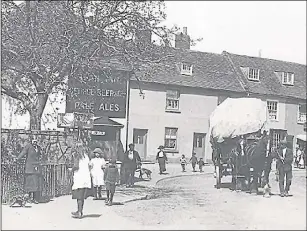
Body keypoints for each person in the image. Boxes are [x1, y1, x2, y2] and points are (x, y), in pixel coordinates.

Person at [69, 142, 92, 219]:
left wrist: (71, 170)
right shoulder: (86, 156)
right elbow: (90, 165)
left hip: (79, 177)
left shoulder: (77, 156)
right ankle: (79, 210)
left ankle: (79, 212)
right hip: (85, 178)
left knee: (78, 196)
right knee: (81, 196)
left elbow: (76, 166)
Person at [17, 137, 42, 204]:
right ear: (31, 141)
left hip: (36, 168)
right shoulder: (28, 146)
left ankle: (35, 199)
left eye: (36, 141)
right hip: (29, 168)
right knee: (29, 184)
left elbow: (40, 156)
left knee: (36, 183)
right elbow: (23, 153)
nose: (35, 142)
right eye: (34, 141)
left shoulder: (38, 148)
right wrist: (17, 159)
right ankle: (28, 198)